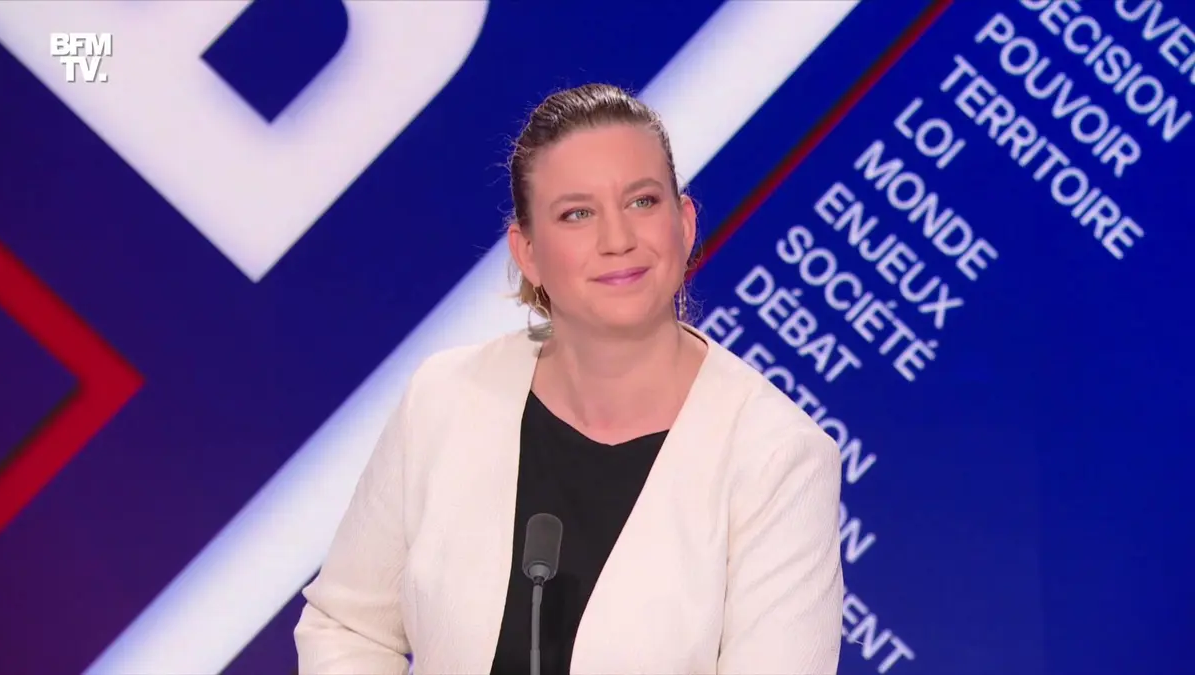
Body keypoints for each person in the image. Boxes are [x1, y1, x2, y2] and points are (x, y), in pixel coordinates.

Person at [293, 83, 844, 675]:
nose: (618, 240)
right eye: (577, 214)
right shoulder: (444, 398)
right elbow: (347, 627)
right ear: (527, 252)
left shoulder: (777, 459)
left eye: (642, 202)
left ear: (684, 224)